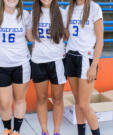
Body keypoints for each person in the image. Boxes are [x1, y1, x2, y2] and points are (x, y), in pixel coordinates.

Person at [0, 0, 33, 135]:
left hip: (21, 64)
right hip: (0, 65)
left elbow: (30, 36)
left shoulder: (25, 14)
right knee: (5, 102)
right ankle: (7, 129)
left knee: (19, 99)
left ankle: (17, 130)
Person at [65, 0, 103, 135]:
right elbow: (67, 34)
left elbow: (100, 39)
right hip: (71, 56)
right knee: (77, 102)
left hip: (86, 59)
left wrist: (94, 65)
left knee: (84, 104)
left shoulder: (94, 8)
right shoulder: (69, 8)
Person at [31, 0, 67, 135]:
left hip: (57, 61)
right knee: (41, 98)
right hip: (38, 61)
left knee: (57, 98)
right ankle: (44, 130)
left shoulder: (62, 14)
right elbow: (30, 35)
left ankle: (57, 131)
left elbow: (68, 34)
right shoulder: (33, 13)